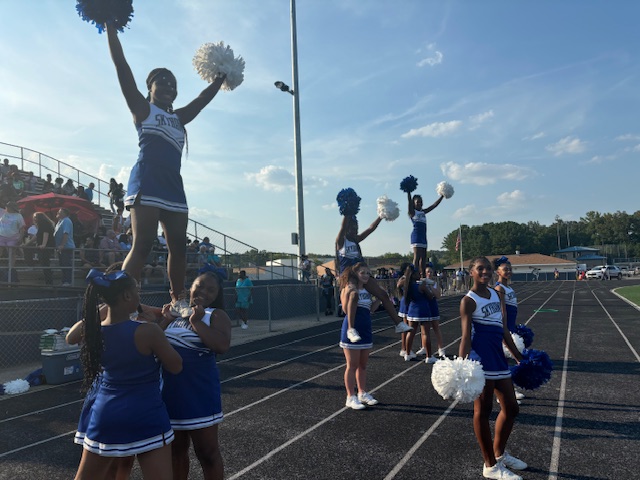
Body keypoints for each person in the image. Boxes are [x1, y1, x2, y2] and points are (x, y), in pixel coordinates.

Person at [106, 25, 227, 314]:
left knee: (179, 247)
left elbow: (201, 101)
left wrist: (220, 78)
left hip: (173, 185)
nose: (169, 86)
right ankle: (120, 301)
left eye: (173, 83)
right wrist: (111, 28)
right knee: (144, 243)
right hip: (147, 180)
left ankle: (177, 300)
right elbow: (122, 67)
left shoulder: (180, 118)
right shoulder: (143, 109)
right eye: (162, 81)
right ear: (150, 87)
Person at [73, 269, 182, 480]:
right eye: (137, 291)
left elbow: (71, 336)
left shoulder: (95, 331)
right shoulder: (148, 331)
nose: (139, 297)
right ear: (127, 296)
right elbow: (176, 366)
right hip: (146, 414)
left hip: (105, 414)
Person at [159, 271, 231, 480]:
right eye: (199, 286)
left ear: (217, 294)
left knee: (207, 454)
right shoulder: (175, 313)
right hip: (169, 394)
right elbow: (153, 342)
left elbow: (221, 345)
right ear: (190, 287)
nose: (203, 292)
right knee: (176, 453)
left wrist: (197, 322)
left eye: (211, 290)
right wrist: (165, 319)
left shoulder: (214, 315)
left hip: (199, 394)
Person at [459, 256, 527, 480]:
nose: (485, 272)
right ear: (471, 272)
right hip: (481, 360)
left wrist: (519, 358)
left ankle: (499, 455)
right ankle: (489, 465)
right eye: (480, 269)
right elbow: (466, 337)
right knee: (483, 411)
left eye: (488, 268)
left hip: (498, 358)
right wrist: (462, 366)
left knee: (511, 408)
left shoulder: (498, 295)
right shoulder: (468, 301)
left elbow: (504, 331)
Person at [335, 214, 412, 335]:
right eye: (352, 227)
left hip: (361, 273)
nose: (355, 230)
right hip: (349, 275)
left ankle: (398, 323)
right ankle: (351, 329)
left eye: (356, 227)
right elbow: (343, 226)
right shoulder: (340, 241)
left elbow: (371, 228)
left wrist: (381, 216)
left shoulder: (356, 240)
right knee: (354, 295)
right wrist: (347, 212)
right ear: (347, 228)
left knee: (383, 294)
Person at [338, 262, 381, 410]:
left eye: (368, 273)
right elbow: (345, 309)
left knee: (362, 365)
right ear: (355, 274)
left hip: (366, 329)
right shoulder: (349, 289)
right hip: (352, 330)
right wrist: (351, 292)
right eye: (363, 272)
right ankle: (350, 396)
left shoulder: (367, 292)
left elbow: (371, 310)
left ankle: (362, 392)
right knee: (352, 365)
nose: (366, 275)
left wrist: (380, 298)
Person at [494, 256, 526, 403]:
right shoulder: (499, 288)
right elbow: (502, 312)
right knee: (505, 361)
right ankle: (505, 394)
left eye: (509, 269)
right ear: (497, 272)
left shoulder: (509, 287)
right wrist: (505, 330)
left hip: (511, 327)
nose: (508, 271)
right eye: (505, 269)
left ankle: (508, 390)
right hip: (505, 329)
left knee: (508, 361)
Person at [406, 191, 444, 278]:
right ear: (413, 204)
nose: (419, 204)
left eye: (420, 202)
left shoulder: (423, 212)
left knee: (423, 258)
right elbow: (408, 202)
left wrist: (442, 196)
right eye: (417, 202)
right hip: (416, 236)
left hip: (423, 237)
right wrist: (408, 193)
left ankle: (423, 276)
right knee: (417, 256)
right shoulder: (412, 212)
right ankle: (414, 275)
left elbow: (434, 205)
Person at [401, 264, 432, 362]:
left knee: (411, 333)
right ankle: (429, 356)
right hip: (423, 310)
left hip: (411, 311)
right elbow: (430, 296)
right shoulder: (421, 286)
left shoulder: (408, 285)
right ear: (413, 275)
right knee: (426, 333)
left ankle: (408, 353)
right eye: (418, 273)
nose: (420, 274)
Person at [0, 201, 25, 279]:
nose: (6, 207)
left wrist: (21, 238)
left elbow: (22, 228)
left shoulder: (18, 216)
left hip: (13, 236)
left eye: (8, 206)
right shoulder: (2, 212)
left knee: (12, 252)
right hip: (1, 235)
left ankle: (11, 267)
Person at [32, 212, 56, 285]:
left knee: (45, 263)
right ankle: (48, 280)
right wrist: (27, 243)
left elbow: (46, 233)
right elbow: (36, 236)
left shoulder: (44, 224)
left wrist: (44, 244)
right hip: (43, 246)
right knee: (44, 263)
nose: (34, 219)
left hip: (45, 247)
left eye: (35, 217)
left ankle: (49, 282)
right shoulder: (41, 225)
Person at [54, 207, 76, 286]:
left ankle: (68, 281)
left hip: (66, 246)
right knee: (62, 264)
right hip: (61, 247)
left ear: (64, 213)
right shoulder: (60, 221)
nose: (58, 213)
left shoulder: (66, 220)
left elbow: (65, 233)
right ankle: (64, 280)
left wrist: (62, 245)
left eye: (60, 212)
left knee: (66, 264)